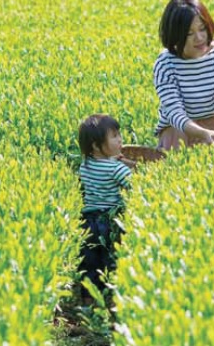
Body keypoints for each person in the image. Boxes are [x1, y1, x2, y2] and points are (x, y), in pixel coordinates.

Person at [153, 0, 214, 150]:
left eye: (202, 29)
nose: (199, 38)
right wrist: (201, 133)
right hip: (180, 130)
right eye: (189, 34)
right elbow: (174, 111)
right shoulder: (165, 64)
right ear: (175, 36)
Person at [77, 113, 132, 302]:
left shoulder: (84, 165)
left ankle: (88, 303)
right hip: (110, 222)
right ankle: (111, 304)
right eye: (114, 136)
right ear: (95, 145)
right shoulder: (117, 169)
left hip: (87, 222)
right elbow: (137, 185)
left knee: (90, 263)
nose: (120, 140)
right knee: (111, 262)